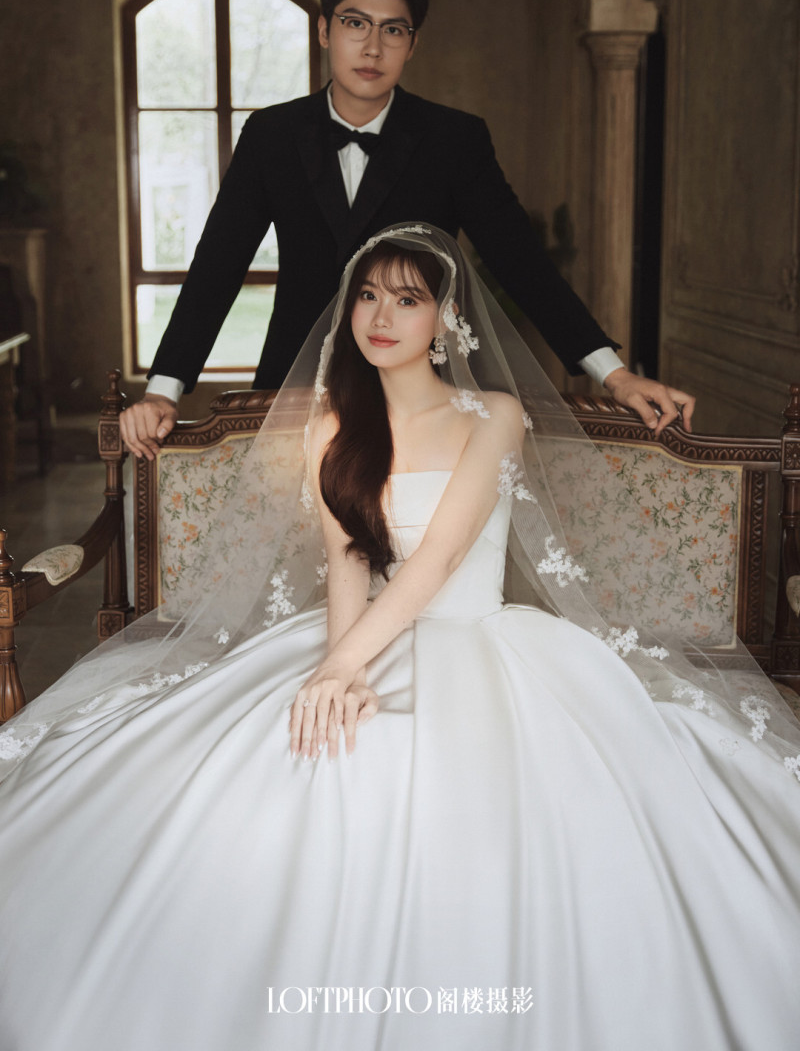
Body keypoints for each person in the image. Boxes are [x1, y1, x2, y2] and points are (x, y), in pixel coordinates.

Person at [0, 224, 798, 1051]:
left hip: (477, 640)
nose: (382, 316)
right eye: (369, 295)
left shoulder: (494, 416)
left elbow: (439, 560)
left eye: (408, 299)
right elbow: (350, 560)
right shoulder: (331, 427)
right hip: (361, 635)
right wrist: (338, 668)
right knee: (272, 766)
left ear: (446, 318)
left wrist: (344, 664)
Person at [120, 0, 694, 462]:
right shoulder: (271, 135)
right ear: (324, 30)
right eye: (355, 23)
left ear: (412, 43)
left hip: (424, 395)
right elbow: (218, 265)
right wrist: (164, 390)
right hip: (296, 388)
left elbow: (521, 261)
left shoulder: (455, 140)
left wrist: (614, 375)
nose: (372, 47)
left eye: (393, 30)